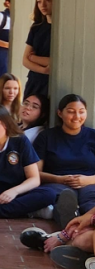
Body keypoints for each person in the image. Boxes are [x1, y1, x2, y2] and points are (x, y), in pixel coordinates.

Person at [35, 95, 95, 227]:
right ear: (60, 113)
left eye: (81, 111)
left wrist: (88, 180)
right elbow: (35, 173)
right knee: (64, 201)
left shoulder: (93, 136)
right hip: (57, 184)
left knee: (91, 203)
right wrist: (59, 179)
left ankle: (86, 233)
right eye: (71, 111)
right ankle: (69, 231)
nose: (77, 116)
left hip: (90, 183)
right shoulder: (46, 136)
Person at [23, 0, 53, 99]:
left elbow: (57, 63)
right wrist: (44, 70)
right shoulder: (36, 27)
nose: (43, 5)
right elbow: (25, 60)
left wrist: (34, 58)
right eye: (39, 1)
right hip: (34, 80)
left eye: (48, 0)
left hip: (51, 82)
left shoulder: (62, 29)